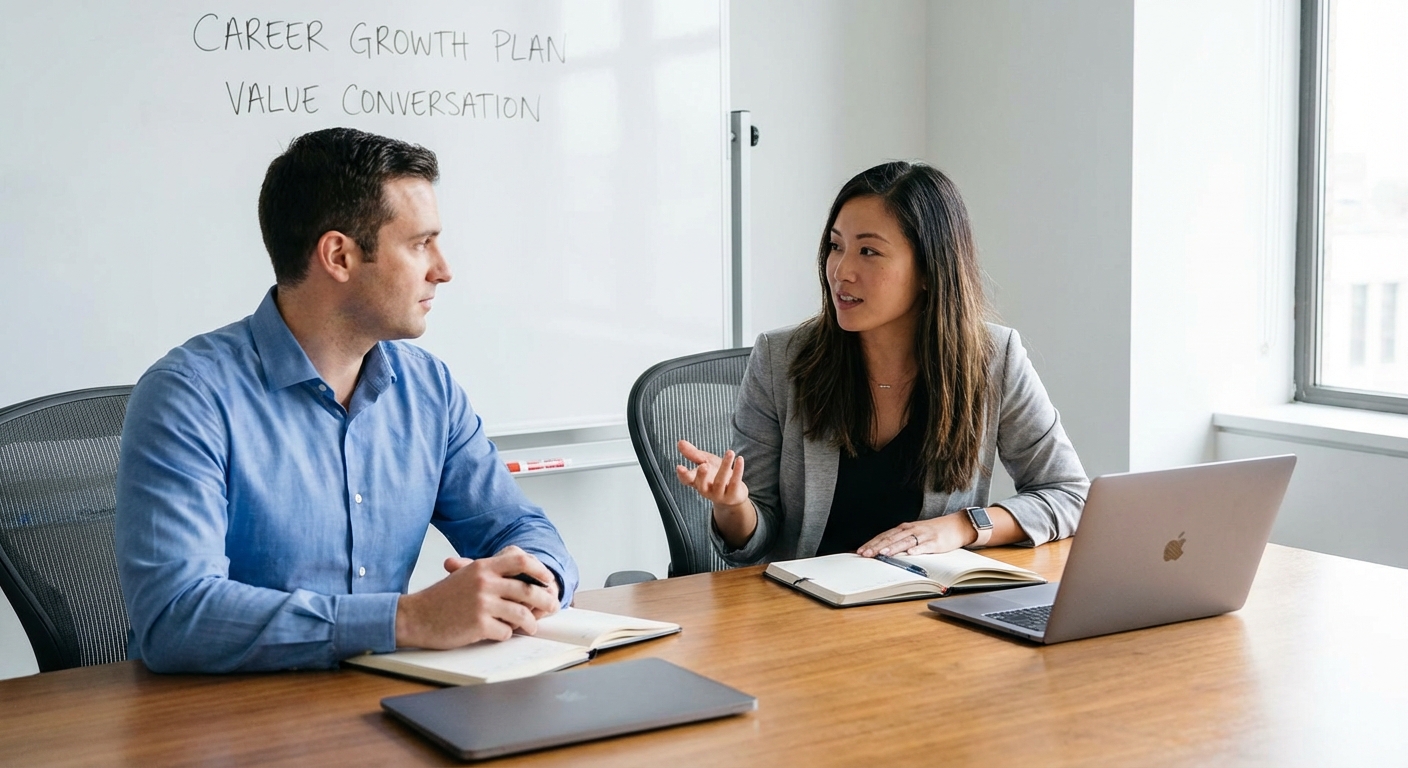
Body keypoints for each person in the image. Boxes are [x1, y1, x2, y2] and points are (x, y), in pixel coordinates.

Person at [115, 127, 578, 673]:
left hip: (385, 704)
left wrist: (534, 579)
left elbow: (517, 528)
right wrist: (406, 621)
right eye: (419, 243)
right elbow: (176, 616)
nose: (443, 269)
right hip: (222, 724)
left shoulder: (428, 389)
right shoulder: (187, 397)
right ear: (339, 255)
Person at [675, 161, 1088, 565]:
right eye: (836, 247)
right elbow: (751, 542)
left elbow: (1070, 494)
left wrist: (963, 526)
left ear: (930, 269)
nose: (841, 270)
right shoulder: (780, 359)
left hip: (928, 608)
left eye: (869, 251)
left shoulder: (993, 358)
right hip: (806, 610)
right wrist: (734, 505)